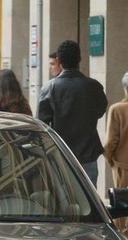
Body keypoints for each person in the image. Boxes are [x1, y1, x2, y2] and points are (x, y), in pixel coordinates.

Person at [37, 40, 108, 186]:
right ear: (79, 59)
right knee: (90, 198)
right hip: (88, 153)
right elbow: (100, 110)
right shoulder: (93, 86)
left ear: (60, 61)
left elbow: (42, 122)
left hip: (60, 153)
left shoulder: (50, 88)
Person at [103, 68, 128, 232]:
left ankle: (126, 236)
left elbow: (111, 141)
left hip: (123, 166)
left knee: (123, 209)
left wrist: (110, 158)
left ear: (127, 88)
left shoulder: (118, 109)